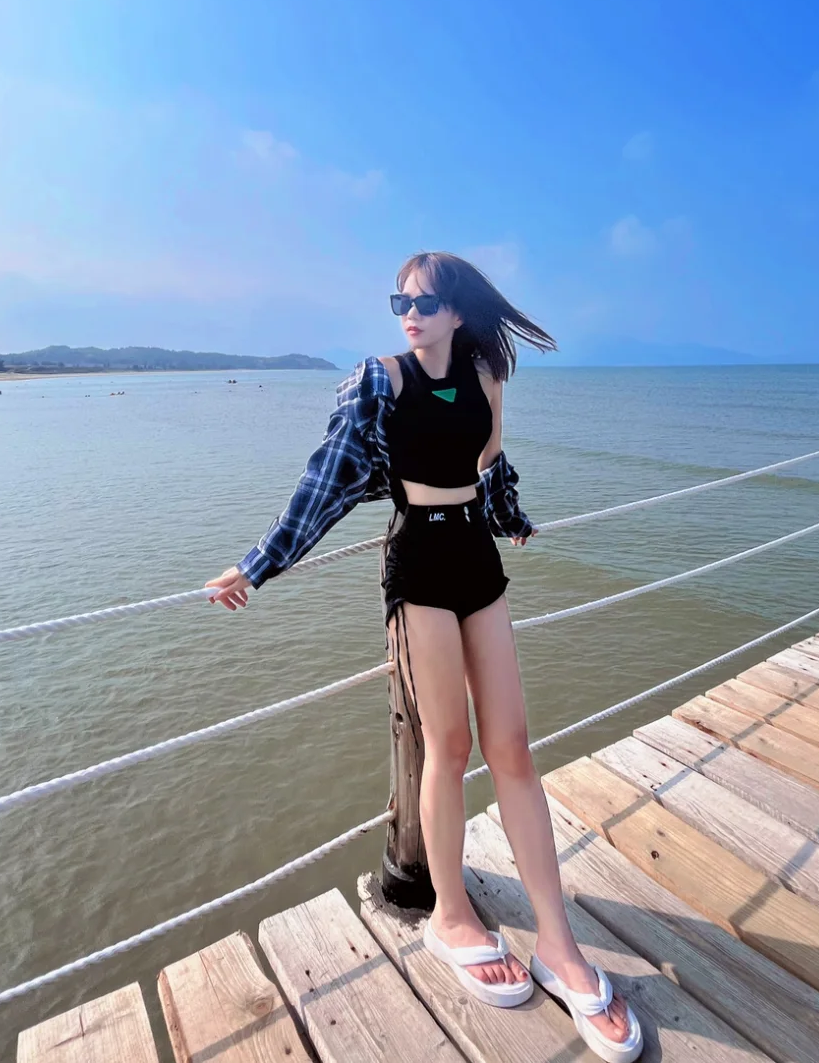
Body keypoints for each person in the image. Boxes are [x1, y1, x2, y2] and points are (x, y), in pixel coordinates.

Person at [207, 252, 643, 1061]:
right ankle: (450, 914)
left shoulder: (484, 375)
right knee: (449, 745)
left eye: (426, 301)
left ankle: (559, 945)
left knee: (513, 747)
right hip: (416, 564)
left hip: (477, 557)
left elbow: (489, 463)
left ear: (458, 311)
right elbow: (327, 480)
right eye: (399, 301)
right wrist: (257, 565)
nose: (409, 313)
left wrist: (512, 517)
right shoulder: (377, 381)